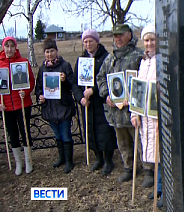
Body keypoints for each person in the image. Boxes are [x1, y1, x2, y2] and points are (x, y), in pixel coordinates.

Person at [96, 24, 154, 186]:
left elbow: (144, 81)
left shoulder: (138, 56)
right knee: (123, 143)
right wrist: (107, 94)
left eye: (121, 35)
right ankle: (129, 167)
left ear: (129, 35)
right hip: (115, 112)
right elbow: (100, 78)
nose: (118, 39)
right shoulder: (110, 58)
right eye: (115, 36)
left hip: (134, 111)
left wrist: (135, 98)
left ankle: (148, 169)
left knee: (141, 141)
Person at [72, 29, 118, 175]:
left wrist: (94, 90)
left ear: (97, 42)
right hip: (88, 103)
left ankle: (108, 159)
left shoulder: (106, 58)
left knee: (105, 130)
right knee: (91, 129)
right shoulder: (81, 60)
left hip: (102, 101)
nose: (87, 44)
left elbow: (109, 78)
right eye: (85, 41)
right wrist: (81, 98)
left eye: (90, 41)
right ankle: (98, 157)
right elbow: (75, 82)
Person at [130, 25, 163, 207]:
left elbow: (166, 92)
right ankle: (158, 188)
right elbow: (138, 89)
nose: (149, 43)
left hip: (158, 117)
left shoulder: (163, 61)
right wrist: (134, 113)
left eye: (152, 39)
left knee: (164, 156)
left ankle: (167, 189)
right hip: (145, 117)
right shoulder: (143, 62)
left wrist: (162, 117)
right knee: (155, 155)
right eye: (146, 40)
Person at [35, 38, 77, 174]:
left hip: (63, 107)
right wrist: (40, 96)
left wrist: (65, 81)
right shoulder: (42, 69)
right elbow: (38, 87)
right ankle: (62, 157)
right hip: (50, 108)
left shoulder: (65, 66)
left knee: (65, 134)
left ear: (57, 51)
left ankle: (69, 161)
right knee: (57, 135)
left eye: (52, 51)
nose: (49, 54)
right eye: (47, 51)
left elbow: (73, 85)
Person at [0, 37, 35, 175]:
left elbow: (31, 81)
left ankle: (28, 161)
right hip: (6, 106)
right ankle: (18, 163)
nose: (9, 49)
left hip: (22, 104)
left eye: (12, 46)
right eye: (6, 46)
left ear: (15, 47)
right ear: (3, 47)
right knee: (12, 134)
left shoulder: (23, 62)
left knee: (25, 132)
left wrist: (25, 92)